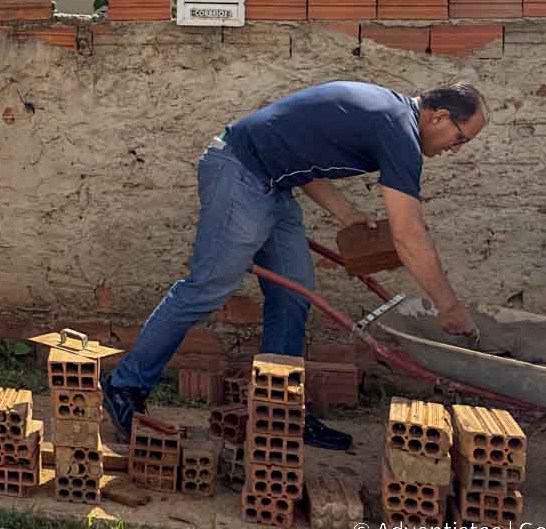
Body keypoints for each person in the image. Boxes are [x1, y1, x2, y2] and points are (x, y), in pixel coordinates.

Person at [103, 81, 487, 450]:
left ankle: (279, 411)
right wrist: (448, 308)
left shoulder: (389, 113)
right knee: (208, 287)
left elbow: (299, 151)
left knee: (293, 291)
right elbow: (409, 236)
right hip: (239, 170)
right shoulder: (399, 129)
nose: (458, 148)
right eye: (461, 137)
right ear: (437, 117)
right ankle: (125, 385)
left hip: (272, 181)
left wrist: (346, 213)